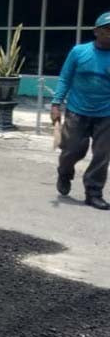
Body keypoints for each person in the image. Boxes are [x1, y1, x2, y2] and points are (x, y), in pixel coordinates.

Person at [51, 11, 110, 210]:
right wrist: (55, 104)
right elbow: (65, 78)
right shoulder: (79, 52)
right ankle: (64, 173)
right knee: (71, 150)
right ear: (96, 31)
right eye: (107, 29)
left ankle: (93, 193)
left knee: (102, 155)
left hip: (106, 114)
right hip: (77, 111)